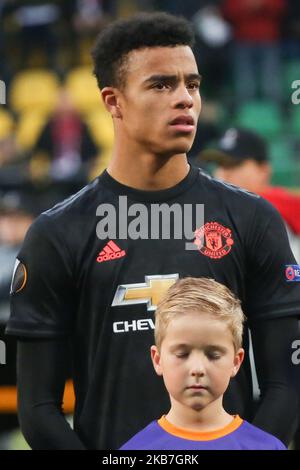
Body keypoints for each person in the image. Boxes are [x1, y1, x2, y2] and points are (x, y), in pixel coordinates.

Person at [5, 12, 300, 450]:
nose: (184, 99)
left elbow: (287, 384)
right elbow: (38, 409)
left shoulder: (252, 219)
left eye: (193, 85)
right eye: (161, 85)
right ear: (113, 101)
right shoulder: (58, 233)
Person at [120, 277, 286, 450]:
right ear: (157, 359)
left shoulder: (267, 447)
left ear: (236, 362)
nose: (198, 369)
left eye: (213, 355)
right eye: (182, 354)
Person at [198, 127, 300, 261]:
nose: (223, 173)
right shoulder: (216, 212)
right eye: (220, 165)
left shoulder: (270, 216)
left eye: (233, 165)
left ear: (263, 170)